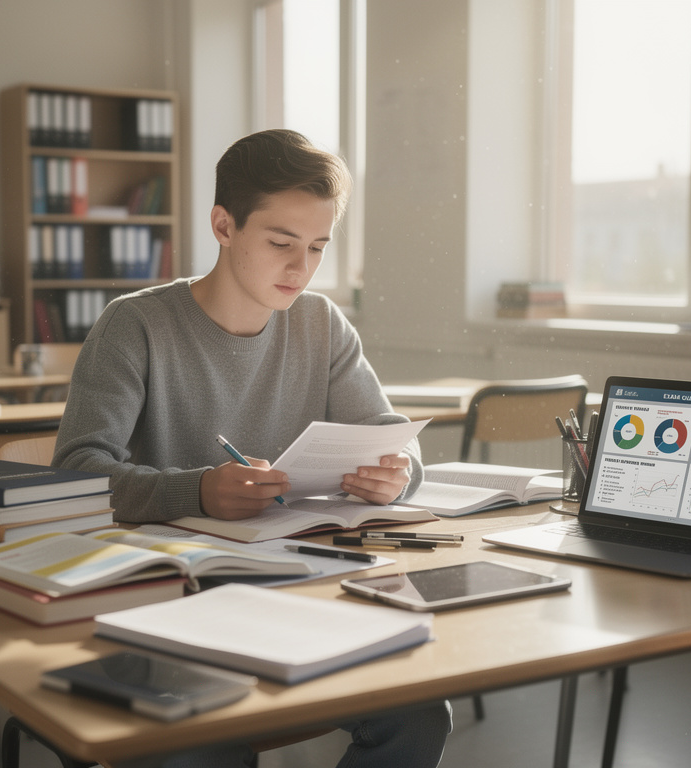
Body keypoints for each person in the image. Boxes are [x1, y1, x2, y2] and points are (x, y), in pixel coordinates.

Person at [53, 128, 451, 768]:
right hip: (172, 601)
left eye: (317, 247)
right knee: (200, 748)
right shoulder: (135, 324)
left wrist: (398, 474)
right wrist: (196, 490)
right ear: (223, 225)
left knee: (420, 713)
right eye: (280, 243)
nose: (301, 268)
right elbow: (74, 471)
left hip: (297, 588)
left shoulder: (322, 323)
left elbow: (389, 434)